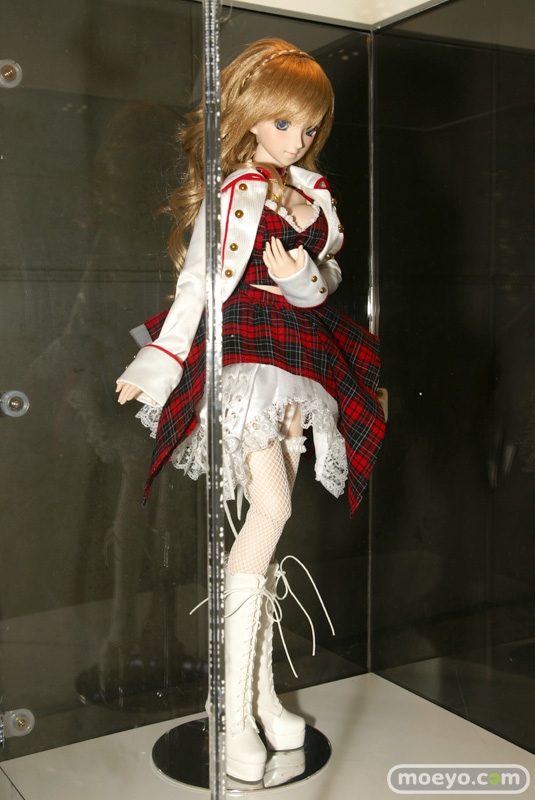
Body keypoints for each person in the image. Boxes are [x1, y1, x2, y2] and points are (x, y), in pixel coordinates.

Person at [116, 37, 385, 783]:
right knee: (270, 510)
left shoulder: (312, 191)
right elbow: (198, 286)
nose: (296, 140)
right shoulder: (233, 190)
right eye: (283, 123)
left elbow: (324, 281)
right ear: (250, 116)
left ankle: (260, 699)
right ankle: (232, 711)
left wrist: (302, 278)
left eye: (308, 127)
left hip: (301, 356)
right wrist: (160, 360)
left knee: (267, 525)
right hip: (245, 355)